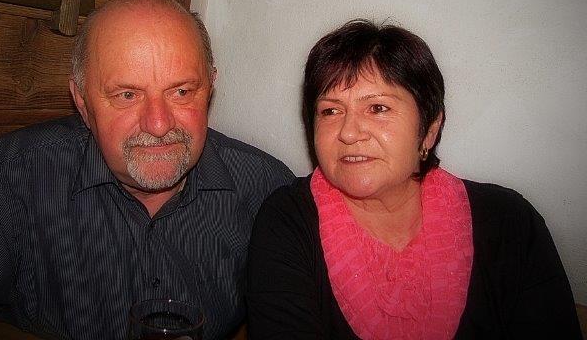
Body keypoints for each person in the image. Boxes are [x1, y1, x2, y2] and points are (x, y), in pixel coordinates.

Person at [0, 0, 295, 340]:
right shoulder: (6, 180)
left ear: (210, 88)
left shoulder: (266, 190)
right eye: (127, 95)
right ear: (82, 103)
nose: (158, 124)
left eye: (182, 92)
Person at [247, 20, 582, 339]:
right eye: (330, 111)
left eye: (377, 108)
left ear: (429, 130)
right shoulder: (288, 221)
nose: (348, 132)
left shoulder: (509, 223)